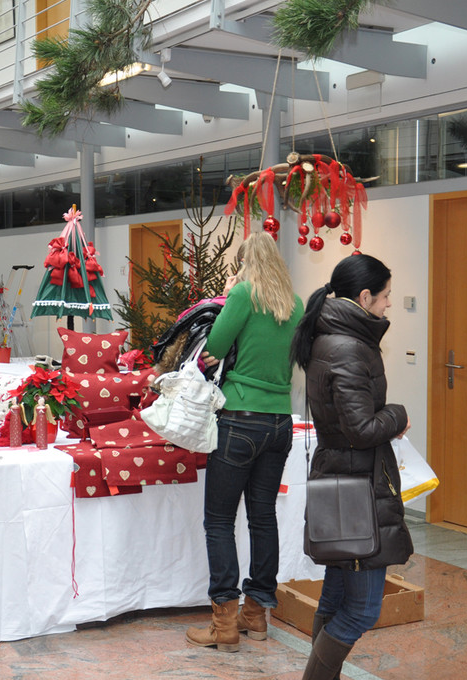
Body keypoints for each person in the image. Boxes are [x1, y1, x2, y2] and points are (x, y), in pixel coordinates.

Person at [290, 254, 412, 680]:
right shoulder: (348, 347)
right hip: (358, 486)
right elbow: (361, 429)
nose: (389, 304)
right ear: (364, 296)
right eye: (385, 296)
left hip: (342, 476)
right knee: (361, 609)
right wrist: (398, 414)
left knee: (336, 597)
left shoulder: (332, 337)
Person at [185, 232, 304, 653]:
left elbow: (215, 347)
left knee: (219, 520)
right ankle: (255, 614)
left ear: (243, 262)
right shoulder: (294, 304)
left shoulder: (242, 294)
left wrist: (229, 296)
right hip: (279, 422)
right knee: (263, 517)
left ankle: (224, 624)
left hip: (239, 420)